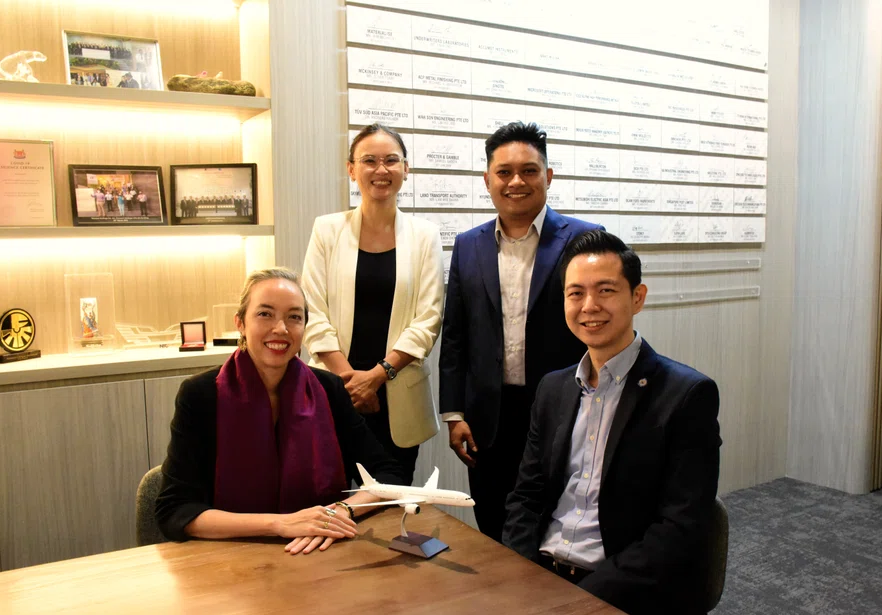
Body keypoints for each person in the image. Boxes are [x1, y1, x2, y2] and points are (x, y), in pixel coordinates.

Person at [503, 230, 722, 615]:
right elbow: (525, 497)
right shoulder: (553, 389)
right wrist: (523, 573)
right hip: (544, 578)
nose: (590, 307)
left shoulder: (686, 395)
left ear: (637, 297)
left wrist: (582, 599)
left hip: (628, 591)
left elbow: (679, 529)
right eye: (576, 293)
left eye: (606, 290)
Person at [156, 269, 404, 554]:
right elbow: (175, 510)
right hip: (230, 559)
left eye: (294, 317)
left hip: (320, 552)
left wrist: (341, 511)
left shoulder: (329, 389)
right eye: (265, 314)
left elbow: (389, 474)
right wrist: (280, 523)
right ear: (240, 323)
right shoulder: (200, 394)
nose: (281, 329)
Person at [438, 121, 603, 541]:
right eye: (504, 172)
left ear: (548, 176)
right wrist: (454, 413)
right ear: (487, 180)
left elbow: (600, 329)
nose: (516, 181)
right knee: (494, 518)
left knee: (557, 520)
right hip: (488, 414)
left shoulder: (585, 240)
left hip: (561, 406)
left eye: (529, 171)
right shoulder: (468, 244)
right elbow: (456, 335)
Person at [302, 123, 444, 484]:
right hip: (334, 390)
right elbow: (311, 313)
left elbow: (428, 320)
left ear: (406, 169)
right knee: (328, 501)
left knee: (392, 501)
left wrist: (376, 377)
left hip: (394, 396)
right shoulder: (326, 230)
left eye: (391, 160)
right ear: (351, 169)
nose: (381, 170)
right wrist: (351, 383)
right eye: (369, 161)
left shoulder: (425, 236)